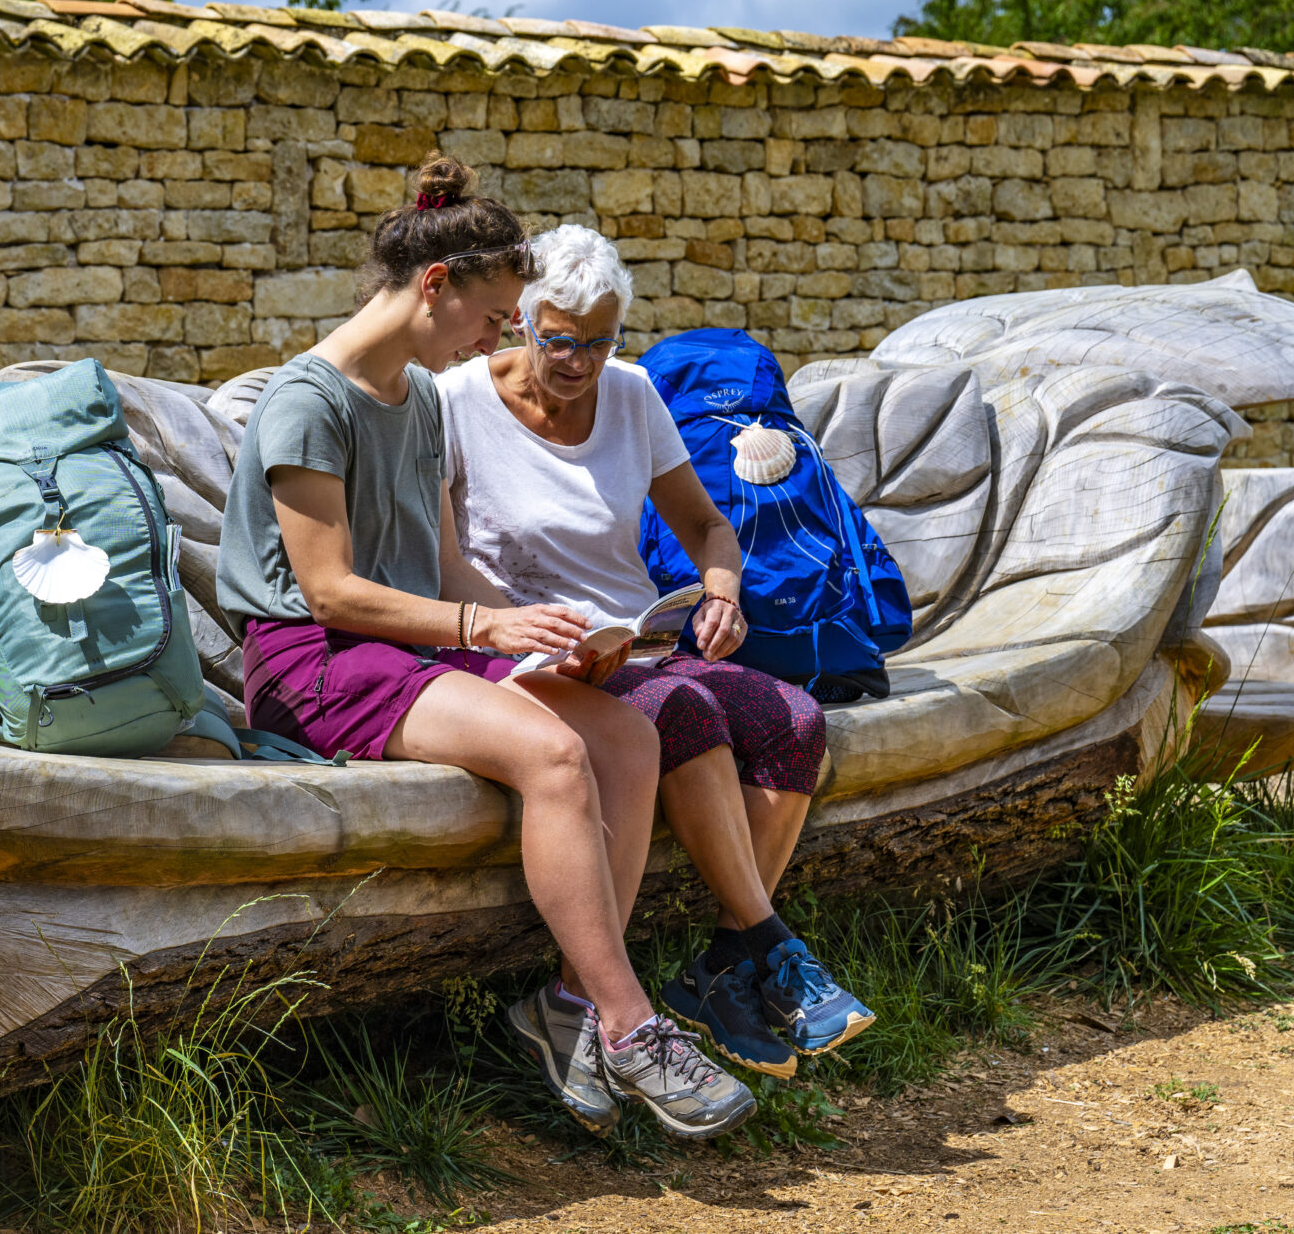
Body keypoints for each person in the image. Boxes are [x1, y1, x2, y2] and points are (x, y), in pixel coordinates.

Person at [217, 157, 755, 1140]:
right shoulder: (308, 402)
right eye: (497, 315)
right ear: (435, 287)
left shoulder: (420, 401)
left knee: (628, 737)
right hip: (315, 664)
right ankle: (631, 1023)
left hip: (413, 652)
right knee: (551, 753)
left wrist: (539, 635)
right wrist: (483, 630)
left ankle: (565, 1006)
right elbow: (327, 589)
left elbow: (445, 568)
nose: (500, 338)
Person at [438, 223, 873, 1082]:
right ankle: (765, 943)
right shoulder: (454, 401)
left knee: (795, 720)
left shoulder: (633, 394)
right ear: (521, 317)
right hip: (522, 656)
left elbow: (709, 525)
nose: (579, 360)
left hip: (634, 641)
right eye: (560, 338)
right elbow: (434, 556)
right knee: (686, 709)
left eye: (600, 340)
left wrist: (720, 593)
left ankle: (722, 959)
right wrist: (507, 625)